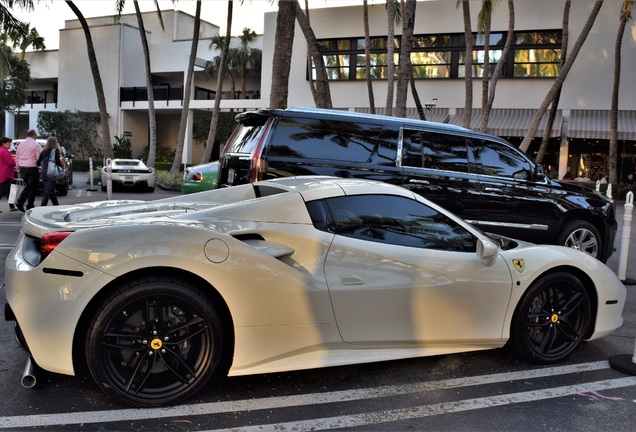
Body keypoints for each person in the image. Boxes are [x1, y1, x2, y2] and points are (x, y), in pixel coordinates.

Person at [15, 129, 42, 212]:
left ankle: (21, 202)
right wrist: (40, 167)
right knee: (33, 187)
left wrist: (18, 168)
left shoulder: (20, 145)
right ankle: (29, 205)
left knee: (28, 186)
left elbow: (17, 157)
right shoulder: (36, 144)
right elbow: (39, 157)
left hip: (23, 167)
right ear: (33, 135)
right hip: (32, 167)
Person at [36, 137, 64, 206]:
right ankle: (42, 207)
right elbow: (57, 161)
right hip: (51, 172)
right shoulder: (56, 151)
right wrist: (61, 169)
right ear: (55, 143)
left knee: (51, 190)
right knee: (48, 191)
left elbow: (38, 162)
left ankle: (56, 206)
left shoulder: (44, 151)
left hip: (44, 172)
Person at [0, 136, 17, 212]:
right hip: (6, 173)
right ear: (3, 143)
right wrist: (15, 163)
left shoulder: (1, 150)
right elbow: (10, 162)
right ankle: (12, 206)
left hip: (2, 172)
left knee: (9, 190)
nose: (9, 144)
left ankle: (12, 206)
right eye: (8, 142)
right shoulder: (5, 151)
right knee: (2, 191)